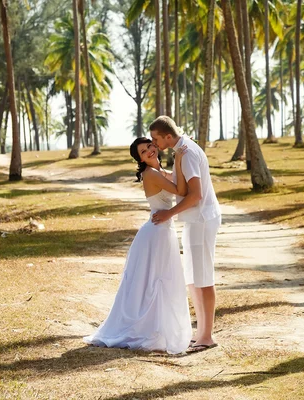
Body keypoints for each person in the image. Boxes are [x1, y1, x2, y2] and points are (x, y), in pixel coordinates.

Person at [83, 137, 191, 354]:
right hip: (156, 233)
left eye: (150, 146)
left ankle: (159, 327)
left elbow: (178, 181)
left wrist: (178, 159)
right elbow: (181, 190)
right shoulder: (151, 174)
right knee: (153, 282)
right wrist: (179, 157)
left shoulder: (158, 171)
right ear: (140, 159)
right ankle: (146, 329)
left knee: (159, 280)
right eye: (143, 151)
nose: (149, 151)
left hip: (163, 231)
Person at [150, 115, 221, 354]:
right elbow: (180, 183)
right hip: (194, 220)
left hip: (201, 219)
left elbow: (195, 195)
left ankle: (207, 336)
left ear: (168, 136)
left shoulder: (187, 152)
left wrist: (169, 213)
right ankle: (201, 332)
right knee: (193, 276)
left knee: (203, 276)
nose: (154, 144)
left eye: (156, 139)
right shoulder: (181, 150)